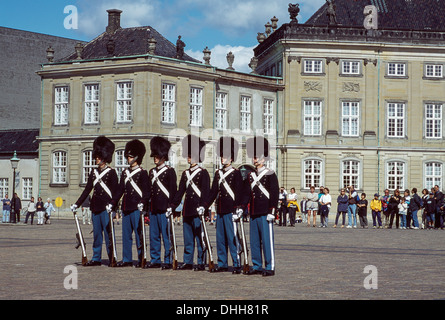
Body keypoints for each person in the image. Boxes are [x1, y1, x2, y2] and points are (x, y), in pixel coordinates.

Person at [71, 136, 118, 266]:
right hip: (96, 207)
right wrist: (77, 203)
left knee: (109, 235)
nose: (96, 159)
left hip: (106, 208)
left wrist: (114, 208)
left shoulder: (111, 173)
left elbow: (115, 192)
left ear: (104, 157)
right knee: (97, 235)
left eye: (98, 157)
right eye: (96, 156)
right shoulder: (93, 173)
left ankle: (112, 257)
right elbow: (87, 190)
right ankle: (96, 257)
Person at [171, 134, 210, 271]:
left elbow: (206, 192)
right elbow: (180, 192)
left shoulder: (203, 173)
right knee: (188, 238)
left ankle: (200, 261)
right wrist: (173, 206)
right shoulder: (185, 174)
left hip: (198, 209)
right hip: (187, 209)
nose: (188, 157)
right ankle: (187, 261)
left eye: (190, 155)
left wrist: (203, 206)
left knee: (200, 238)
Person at [241, 136, 279, 276]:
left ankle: (270, 266)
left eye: (257, 157)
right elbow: (246, 194)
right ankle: (256, 265)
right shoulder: (250, 175)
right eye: (254, 157)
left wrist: (272, 211)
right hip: (254, 211)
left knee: (267, 241)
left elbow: (274, 194)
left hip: (265, 211)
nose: (254, 159)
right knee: (254, 241)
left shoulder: (270, 174)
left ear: (263, 159)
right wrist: (241, 207)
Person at [110, 139, 150, 268]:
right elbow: (120, 190)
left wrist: (143, 203)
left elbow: (146, 191)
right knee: (126, 236)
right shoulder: (125, 173)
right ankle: (127, 258)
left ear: (137, 157)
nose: (128, 159)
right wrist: (113, 202)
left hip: (137, 208)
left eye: (131, 157)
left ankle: (140, 258)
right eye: (128, 156)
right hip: (127, 207)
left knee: (139, 235)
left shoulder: (143, 173)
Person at [207, 136, 243, 273]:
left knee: (232, 238)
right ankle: (222, 263)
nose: (223, 159)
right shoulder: (218, 174)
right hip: (220, 209)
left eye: (225, 156)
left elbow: (239, 192)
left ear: (231, 158)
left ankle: (236, 263)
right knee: (220, 239)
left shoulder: (236, 174)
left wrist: (238, 208)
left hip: (230, 210)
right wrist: (205, 205)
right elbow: (213, 192)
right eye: (222, 156)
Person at [146, 136, 177, 270]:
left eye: (157, 156)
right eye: (154, 156)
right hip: (154, 208)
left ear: (163, 157)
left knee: (166, 236)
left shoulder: (170, 172)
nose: (155, 158)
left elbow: (173, 190)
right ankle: (155, 259)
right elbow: (148, 192)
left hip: (165, 208)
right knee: (154, 236)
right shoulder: (151, 172)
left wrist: (172, 206)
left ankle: (168, 259)